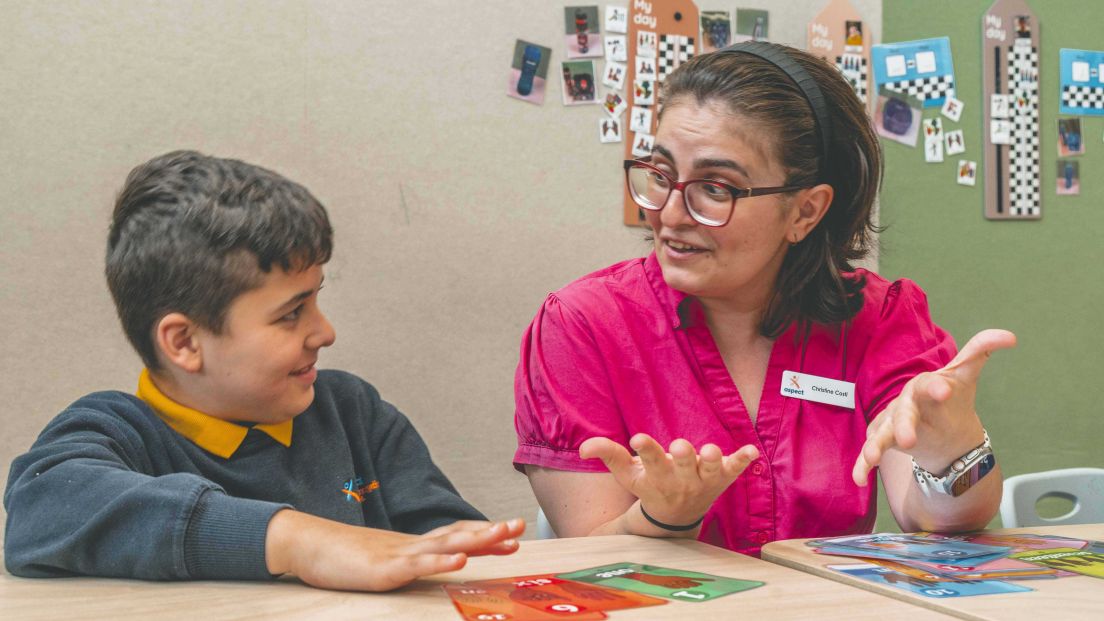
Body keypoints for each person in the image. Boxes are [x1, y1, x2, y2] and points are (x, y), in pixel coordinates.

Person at [513, 42, 1014, 555]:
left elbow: (934, 521)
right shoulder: (585, 324)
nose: (671, 213)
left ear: (805, 212)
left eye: (716, 187)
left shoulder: (877, 320)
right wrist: (664, 517)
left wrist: (953, 448)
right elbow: (587, 556)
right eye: (661, 174)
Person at [4, 151, 524, 590]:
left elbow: (449, 545)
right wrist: (293, 540)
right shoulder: (115, 430)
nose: (325, 333)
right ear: (185, 342)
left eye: (316, 301)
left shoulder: (353, 412)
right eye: (291, 314)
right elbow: (38, 512)